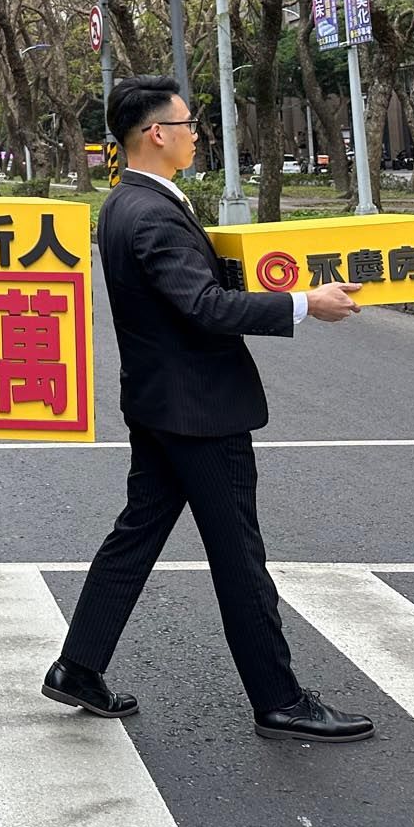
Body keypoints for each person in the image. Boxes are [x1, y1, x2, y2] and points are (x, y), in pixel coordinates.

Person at [44, 76, 375, 743]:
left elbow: (183, 294)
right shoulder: (153, 213)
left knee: (136, 535)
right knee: (238, 556)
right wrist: (305, 303)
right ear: (157, 134)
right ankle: (278, 700)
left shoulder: (124, 204)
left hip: (160, 403)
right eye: (190, 123)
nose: (199, 133)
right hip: (200, 412)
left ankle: (78, 665)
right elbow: (203, 308)